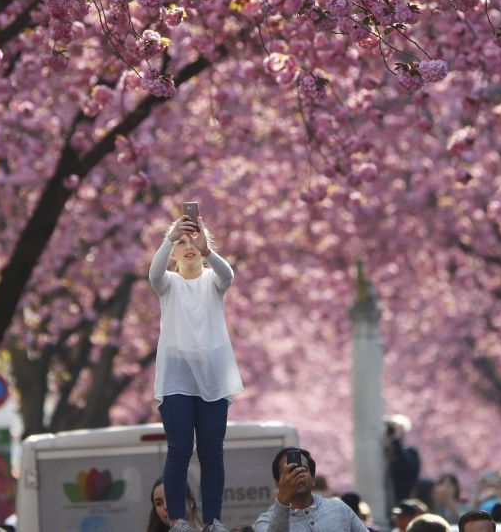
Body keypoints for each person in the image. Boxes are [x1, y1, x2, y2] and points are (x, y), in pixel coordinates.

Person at [150, 212, 244, 532]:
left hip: (213, 376)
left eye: (192, 241)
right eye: (181, 243)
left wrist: (208, 251)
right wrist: (168, 237)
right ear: (172, 253)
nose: (187, 247)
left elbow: (227, 275)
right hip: (177, 376)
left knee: (211, 451)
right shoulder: (169, 285)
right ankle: (178, 519)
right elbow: (154, 275)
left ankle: (212, 521)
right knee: (179, 447)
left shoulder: (213, 281)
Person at [254, 447, 368, 532]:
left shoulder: (339, 509)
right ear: (277, 483)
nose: (297, 474)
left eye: (302, 469)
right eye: (288, 471)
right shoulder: (266, 521)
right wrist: (283, 499)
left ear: (313, 478)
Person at [384, 415, 422, 513]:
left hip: (401, 506)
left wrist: (395, 443)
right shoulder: (381, 454)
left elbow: (406, 467)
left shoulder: (411, 453)